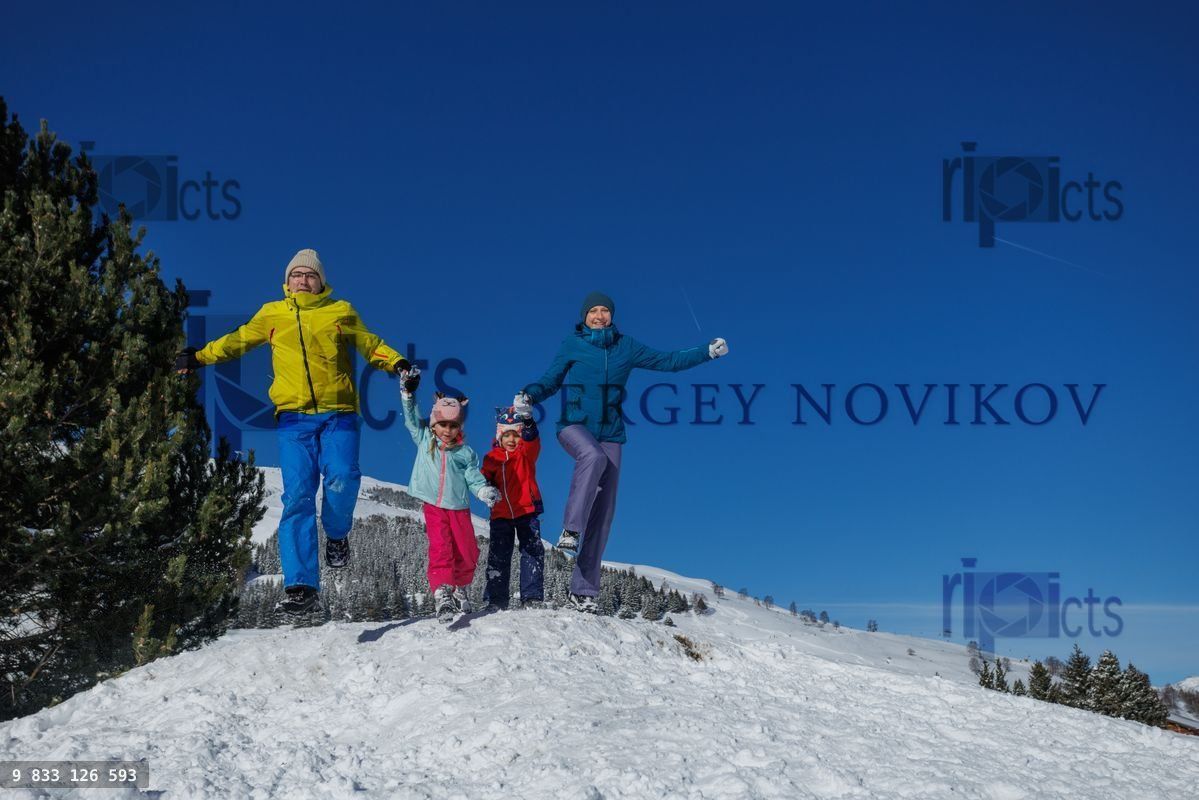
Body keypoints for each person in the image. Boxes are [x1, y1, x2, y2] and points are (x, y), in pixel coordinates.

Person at [175, 248, 409, 614]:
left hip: (339, 414)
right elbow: (235, 341)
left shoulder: (340, 311)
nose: (302, 280)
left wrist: (396, 362)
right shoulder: (272, 314)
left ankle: (336, 533)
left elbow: (370, 343)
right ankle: (301, 585)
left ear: (321, 282)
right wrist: (200, 356)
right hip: (293, 420)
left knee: (343, 478)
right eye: (296, 275)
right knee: (298, 495)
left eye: (309, 275)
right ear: (287, 281)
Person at [517, 291, 728, 613]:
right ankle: (571, 529)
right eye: (593, 311)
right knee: (592, 457)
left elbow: (667, 361)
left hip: (611, 433)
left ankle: (583, 591)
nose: (599, 315)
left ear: (612, 316)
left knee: (604, 513)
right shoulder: (573, 344)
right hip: (574, 426)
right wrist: (529, 396)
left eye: (605, 310)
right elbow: (550, 380)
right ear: (584, 316)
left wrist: (706, 353)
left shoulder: (626, 347)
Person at [399, 369, 501, 623]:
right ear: (434, 424)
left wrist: (483, 490)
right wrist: (408, 394)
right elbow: (411, 419)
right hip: (434, 505)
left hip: (459, 507)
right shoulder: (424, 439)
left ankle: (459, 586)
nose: (447, 429)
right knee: (441, 546)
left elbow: (473, 478)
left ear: (459, 427)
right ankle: (442, 590)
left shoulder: (465, 453)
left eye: (453, 425)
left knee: (468, 552)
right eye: (442, 424)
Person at [480, 405, 545, 610]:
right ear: (499, 436)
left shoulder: (525, 453)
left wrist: (528, 424)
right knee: (498, 556)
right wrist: (486, 487)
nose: (511, 440)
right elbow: (482, 479)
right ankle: (496, 600)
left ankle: (532, 596)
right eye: (506, 435)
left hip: (527, 510)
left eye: (515, 435)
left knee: (532, 552)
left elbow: (532, 441)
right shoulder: (491, 458)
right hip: (500, 514)